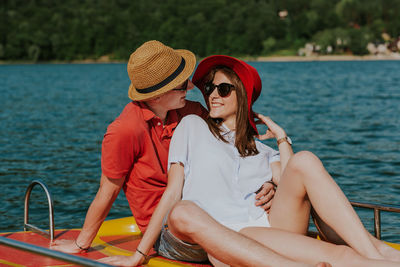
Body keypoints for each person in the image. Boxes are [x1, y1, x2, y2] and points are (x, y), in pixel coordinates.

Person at [99, 55, 400, 267]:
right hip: (224, 234)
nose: (213, 95)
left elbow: (293, 181)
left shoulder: (261, 149)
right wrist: (139, 253)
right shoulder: (192, 126)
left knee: (305, 161)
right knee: (183, 211)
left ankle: (374, 253)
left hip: (262, 229)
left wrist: (282, 139)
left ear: (242, 95)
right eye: (209, 89)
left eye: (223, 89)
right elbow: (172, 192)